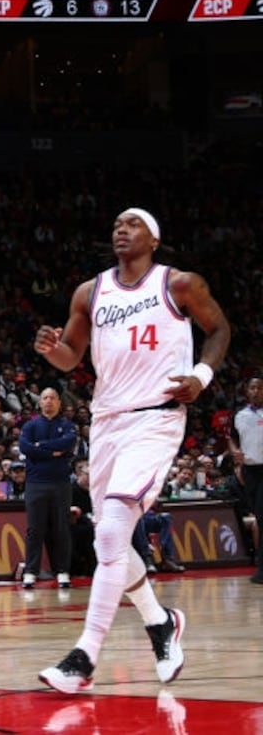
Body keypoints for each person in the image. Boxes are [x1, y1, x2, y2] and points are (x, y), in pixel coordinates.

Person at [34, 208, 230, 694]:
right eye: (117, 224)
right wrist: (50, 349)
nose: (121, 229)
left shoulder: (180, 284)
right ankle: (161, 623)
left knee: (119, 523)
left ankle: (85, 655)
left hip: (157, 415)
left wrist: (201, 377)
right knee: (108, 544)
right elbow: (70, 357)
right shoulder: (90, 292)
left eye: (133, 224)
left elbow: (220, 330)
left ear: (155, 239)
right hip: (107, 421)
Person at [18, 387, 78, 589]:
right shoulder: (30, 426)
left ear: (59, 403)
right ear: (40, 402)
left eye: (52, 398)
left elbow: (68, 443)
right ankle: (30, 572)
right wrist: (52, 451)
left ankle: (62, 571)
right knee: (34, 529)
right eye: (45, 398)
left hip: (61, 482)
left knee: (61, 527)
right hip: (36, 483)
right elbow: (25, 447)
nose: (49, 401)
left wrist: (40, 447)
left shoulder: (67, 425)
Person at [232, 377, 263, 586]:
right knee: (259, 518)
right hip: (250, 471)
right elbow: (231, 437)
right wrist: (235, 453)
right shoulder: (240, 415)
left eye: (260, 388)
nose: (255, 391)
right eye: (252, 387)